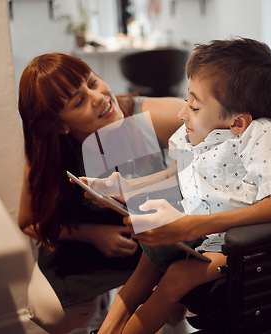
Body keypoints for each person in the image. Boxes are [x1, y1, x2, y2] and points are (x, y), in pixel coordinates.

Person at [95, 37, 271, 333]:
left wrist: (192, 226)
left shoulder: (258, 135)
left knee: (176, 276)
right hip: (195, 224)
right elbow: (176, 174)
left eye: (194, 105)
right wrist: (125, 187)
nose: (182, 113)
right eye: (187, 101)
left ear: (238, 122)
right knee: (144, 268)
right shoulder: (193, 130)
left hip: (237, 239)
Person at [17, 52, 184, 333]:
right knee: (50, 313)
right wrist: (93, 234)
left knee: (171, 311)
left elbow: (220, 133)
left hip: (148, 238)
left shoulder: (153, 116)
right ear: (60, 125)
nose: (98, 97)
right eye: (78, 101)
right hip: (84, 242)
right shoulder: (48, 155)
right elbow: (28, 222)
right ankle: (94, 310)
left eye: (92, 83)